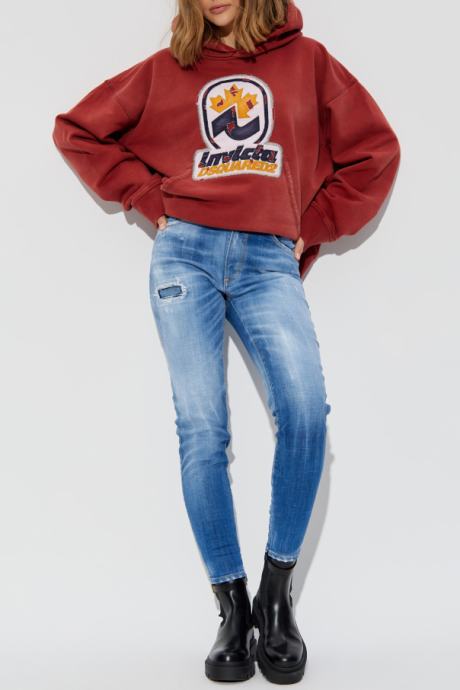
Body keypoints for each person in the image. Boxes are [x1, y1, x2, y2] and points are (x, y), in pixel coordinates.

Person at [52, 0, 400, 683]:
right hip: (185, 253)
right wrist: (151, 200)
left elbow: (375, 152)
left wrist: (313, 224)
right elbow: (78, 130)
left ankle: (276, 598)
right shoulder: (168, 68)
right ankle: (232, 609)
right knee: (202, 429)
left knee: (305, 413)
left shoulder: (308, 62)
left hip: (269, 257)